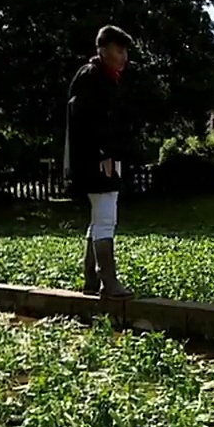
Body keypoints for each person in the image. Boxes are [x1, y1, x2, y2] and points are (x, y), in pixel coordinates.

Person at [63, 25, 134, 300]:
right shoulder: (93, 77)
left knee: (100, 218)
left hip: (101, 157)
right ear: (102, 50)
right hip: (96, 159)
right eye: (119, 50)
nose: (124, 57)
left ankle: (92, 280)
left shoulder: (103, 77)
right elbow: (88, 120)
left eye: (125, 50)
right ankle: (109, 283)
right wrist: (104, 153)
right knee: (105, 217)